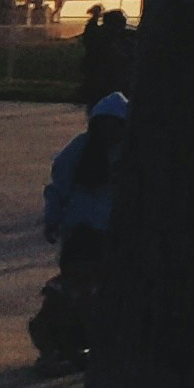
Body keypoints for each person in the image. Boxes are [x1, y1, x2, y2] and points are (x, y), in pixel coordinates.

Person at [33, 91, 128, 371]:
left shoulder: (130, 152)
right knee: (74, 291)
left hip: (110, 234)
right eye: (104, 124)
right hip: (80, 233)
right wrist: (53, 219)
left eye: (115, 124)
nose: (109, 130)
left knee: (101, 292)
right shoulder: (81, 149)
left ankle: (88, 344)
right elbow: (59, 186)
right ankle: (61, 345)